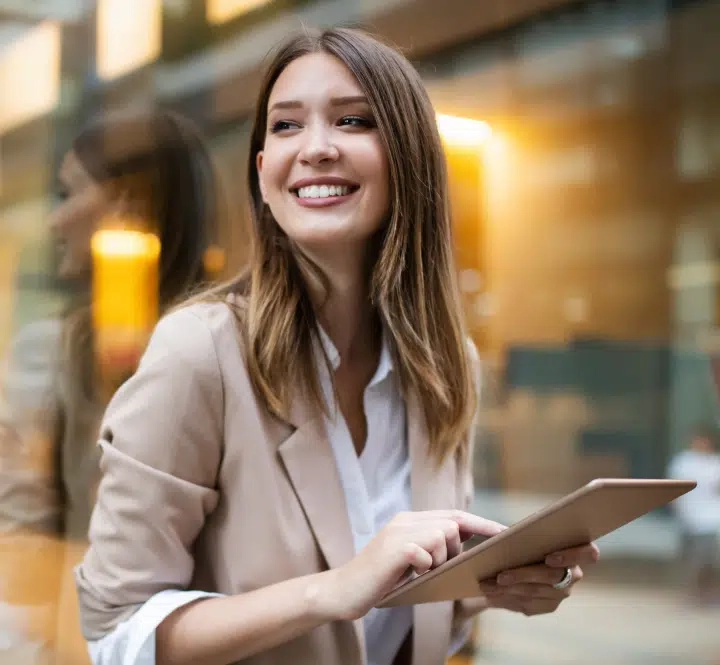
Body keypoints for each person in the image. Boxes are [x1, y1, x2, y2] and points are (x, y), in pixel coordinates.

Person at [75, 28, 599, 665]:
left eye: (353, 120)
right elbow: (116, 631)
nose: (316, 148)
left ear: (407, 157)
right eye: (286, 126)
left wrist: (498, 589)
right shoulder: (201, 351)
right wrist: (332, 591)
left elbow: (398, 613)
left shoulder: (445, 363)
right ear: (262, 169)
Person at [0, 108, 223, 663]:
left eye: (68, 193)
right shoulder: (237, 343)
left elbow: (21, 542)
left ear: (126, 204)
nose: (54, 221)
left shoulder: (54, 352)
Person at [668, 425, 720, 605]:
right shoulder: (683, 461)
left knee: (708, 558)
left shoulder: (715, 463)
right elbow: (674, 489)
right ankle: (692, 593)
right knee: (691, 559)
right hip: (689, 517)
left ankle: (709, 593)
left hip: (711, 519)